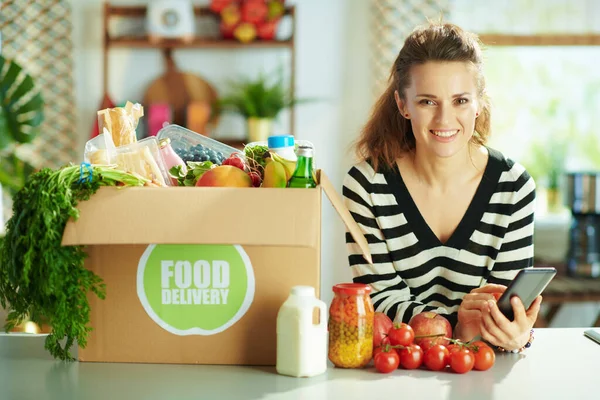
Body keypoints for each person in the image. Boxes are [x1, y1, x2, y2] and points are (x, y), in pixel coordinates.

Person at [343, 21, 540, 352]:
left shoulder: (513, 188)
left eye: (460, 100)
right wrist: (459, 326)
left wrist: (519, 333)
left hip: (483, 367)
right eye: (427, 102)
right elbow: (378, 301)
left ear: (479, 103)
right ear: (403, 105)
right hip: (398, 367)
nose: (444, 120)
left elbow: (506, 306)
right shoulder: (367, 185)